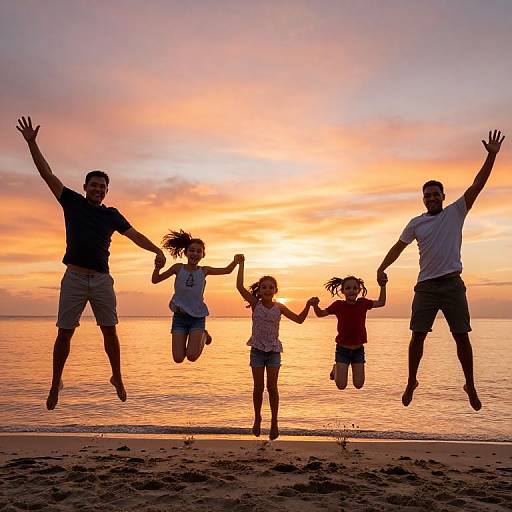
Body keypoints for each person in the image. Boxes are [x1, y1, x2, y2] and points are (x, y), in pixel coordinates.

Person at [16, 116, 166, 410]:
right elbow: (47, 174)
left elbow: (134, 235)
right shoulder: (71, 201)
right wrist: (32, 142)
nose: (98, 189)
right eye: (94, 185)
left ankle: (117, 377)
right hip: (74, 277)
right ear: (85, 186)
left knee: (109, 330)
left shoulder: (112, 214)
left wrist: (155, 250)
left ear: (107, 191)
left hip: (101, 279)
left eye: (103, 187)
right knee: (65, 332)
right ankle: (55, 382)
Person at [377, 130, 505, 411]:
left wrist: (491, 155)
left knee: (462, 336)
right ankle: (411, 380)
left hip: (452, 285)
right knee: (417, 336)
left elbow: (477, 185)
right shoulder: (416, 223)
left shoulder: (455, 212)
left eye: (436, 194)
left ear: (443, 196)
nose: (432, 198)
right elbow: (398, 246)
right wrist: (382, 267)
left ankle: (469, 383)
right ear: (423, 199)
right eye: (427, 196)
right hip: (425, 287)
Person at [236, 255, 313, 441]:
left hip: (273, 352)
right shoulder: (255, 304)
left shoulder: (280, 307)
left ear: (275, 290)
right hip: (256, 351)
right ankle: (257, 419)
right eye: (264, 287)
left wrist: (308, 305)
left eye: (271, 287)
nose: (267, 290)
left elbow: (300, 320)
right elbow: (239, 286)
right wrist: (241, 264)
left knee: (272, 388)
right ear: (259, 291)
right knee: (258, 388)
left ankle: (274, 422)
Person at [152, 229, 242, 363]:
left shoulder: (204, 271)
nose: (195, 253)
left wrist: (235, 261)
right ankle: (201, 335)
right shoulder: (178, 268)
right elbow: (156, 280)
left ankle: (204, 335)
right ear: (186, 253)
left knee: (192, 357)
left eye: (198, 251)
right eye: (192, 250)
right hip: (179, 318)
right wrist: (157, 267)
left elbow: (227, 271)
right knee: (178, 359)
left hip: (197, 318)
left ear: (203, 255)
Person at [310, 274, 387, 390]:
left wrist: (383, 286)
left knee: (359, 385)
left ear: (359, 290)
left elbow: (381, 302)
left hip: (358, 351)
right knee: (341, 386)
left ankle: (339, 368)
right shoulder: (338, 305)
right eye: (348, 288)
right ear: (343, 291)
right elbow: (320, 314)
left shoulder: (363, 303)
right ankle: (336, 368)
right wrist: (315, 305)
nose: (352, 291)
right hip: (342, 350)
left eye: (355, 288)